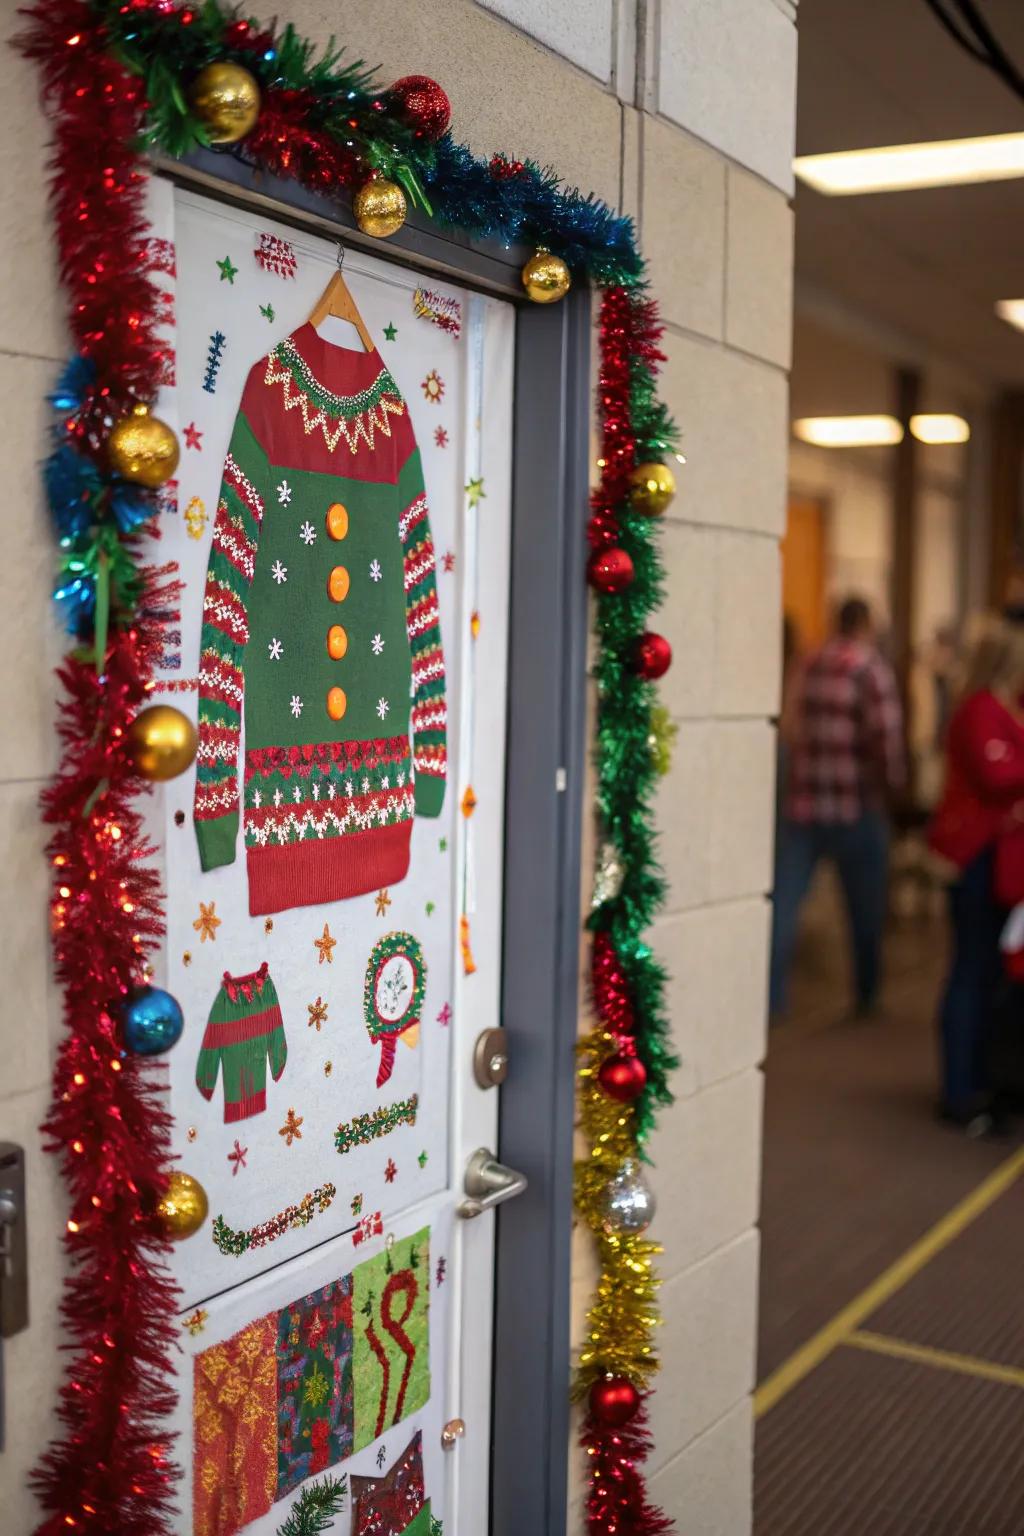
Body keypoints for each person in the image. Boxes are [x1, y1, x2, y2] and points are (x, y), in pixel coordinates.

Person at [770, 596, 905, 1020]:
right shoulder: (870, 669)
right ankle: (866, 997)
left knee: (783, 907)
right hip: (855, 806)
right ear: (866, 624)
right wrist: (893, 792)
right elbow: (886, 742)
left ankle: (771, 999)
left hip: (805, 804)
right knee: (864, 910)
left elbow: (788, 726)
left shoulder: (807, 663)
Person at [928, 617, 1024, 1129]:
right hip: (979, 856)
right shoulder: (980, 710)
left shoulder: (999, 707)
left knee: (988, 972)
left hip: (999, 857)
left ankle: (981, 1079)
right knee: (971, 970)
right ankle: (960, 1089)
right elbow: (998, 777)